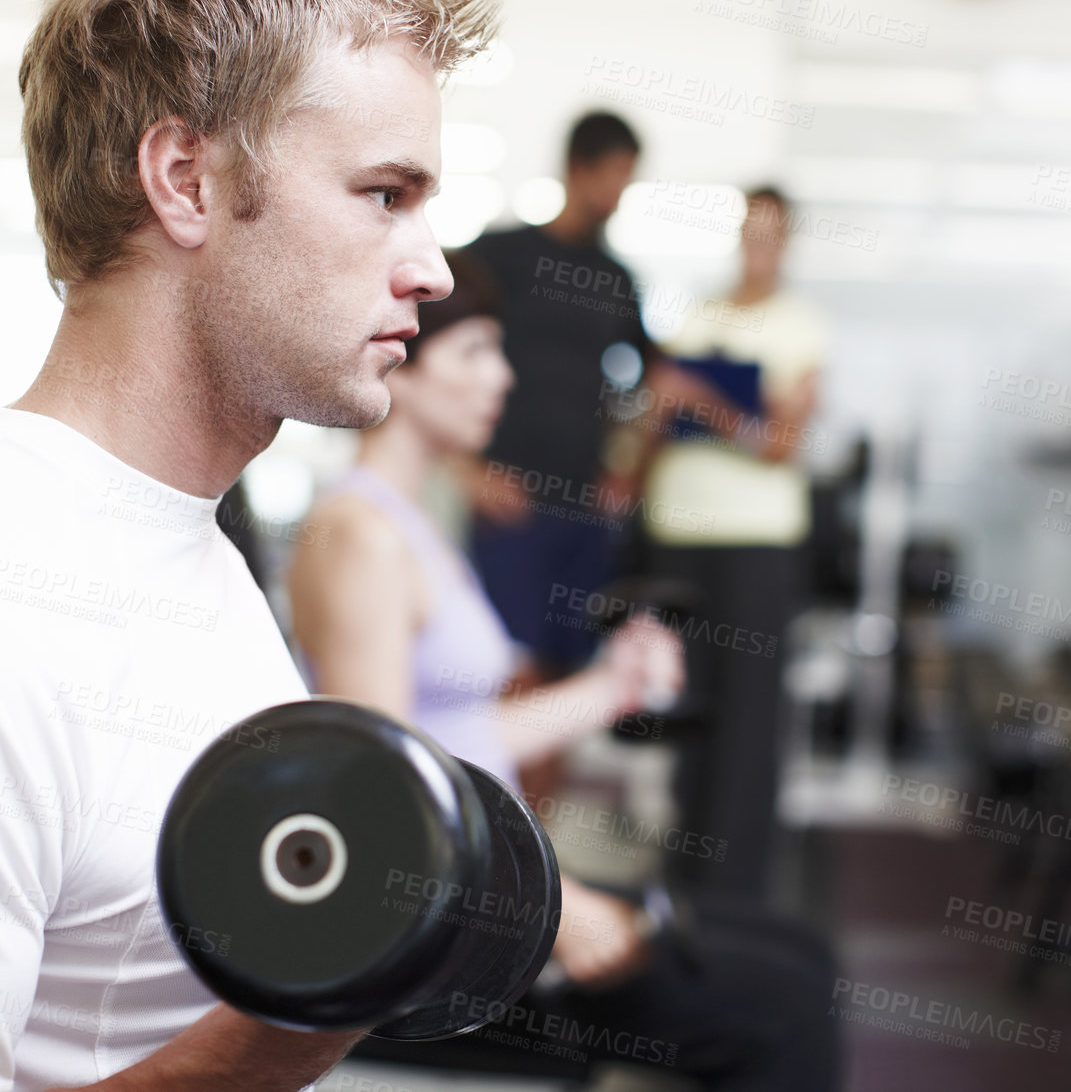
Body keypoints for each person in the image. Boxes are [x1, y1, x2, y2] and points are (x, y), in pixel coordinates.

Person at [0, 0, 495, 1090]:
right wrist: (275, 1039)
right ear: (184, 178)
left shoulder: (184, 540)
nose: (431, 270)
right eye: (383, 194)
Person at [288, 251, 841, 1091]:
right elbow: (385, 803)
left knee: (799, 948)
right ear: (399, 360)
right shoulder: (356, 535)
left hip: (470, 893)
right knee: (783, 1005)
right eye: (477, 353)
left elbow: (444, 738)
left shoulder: (415, 525)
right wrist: (551, 912)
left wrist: (608, 688)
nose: (504, 379)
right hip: (421, 945)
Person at [636, 186, 831, 901]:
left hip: (755, 543)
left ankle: (738, 886)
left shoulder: (801, 327)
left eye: (771, 234)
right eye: (749, 232)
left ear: (789, 241)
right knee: (688, 706)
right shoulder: (698, 318)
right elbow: (652, 423)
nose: (758, 247)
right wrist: (662, 410)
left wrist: (705, 402)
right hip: (679, 536)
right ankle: (683, 870)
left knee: (750, 714)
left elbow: (780, 445)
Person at [462, 111, 654, 681]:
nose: (621, 192)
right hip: (510, 503)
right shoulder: (500, 256)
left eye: (630, 177)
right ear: (576, 168)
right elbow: (421, 356)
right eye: (614, 174)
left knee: (567, 673)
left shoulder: (617, 279)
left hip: (585, 510)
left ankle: (550, 777)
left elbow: (651, 385)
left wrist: (629, 471)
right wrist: (465, 471)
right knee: (511, 671)